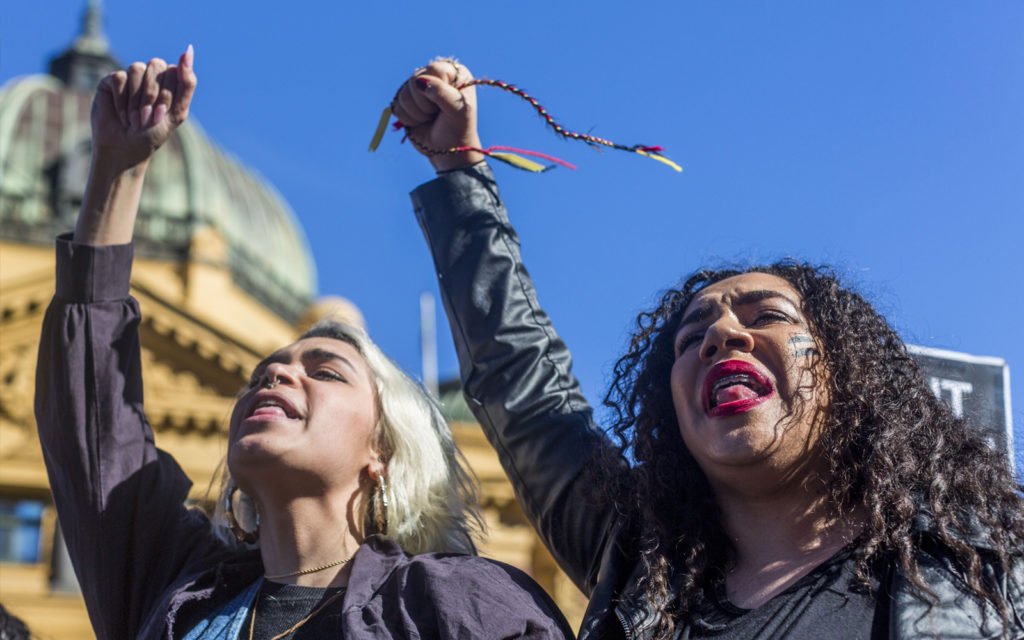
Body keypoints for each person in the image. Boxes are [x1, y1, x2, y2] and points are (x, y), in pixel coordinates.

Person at [393, 59, 1024, 639]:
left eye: (766, 315)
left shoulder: (987, 573)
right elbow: (524, 385)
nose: (722, 336)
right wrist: (460, 171)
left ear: (850, 375)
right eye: (691, 338)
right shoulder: (638, 561)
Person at [34, 49, 574, 640]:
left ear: (383, 452)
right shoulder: (177, 588)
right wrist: (118, 169)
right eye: (263, 372)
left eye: (327, 371)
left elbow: (528, 381)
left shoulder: (457, 601)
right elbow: (94, 426)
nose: (275, 376)